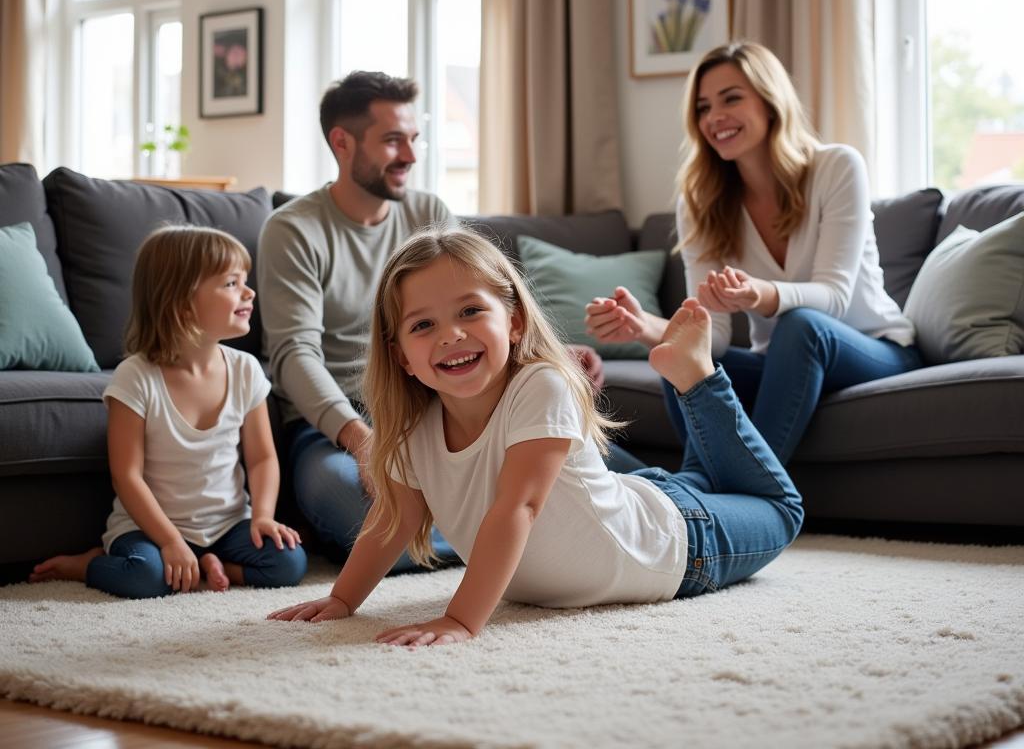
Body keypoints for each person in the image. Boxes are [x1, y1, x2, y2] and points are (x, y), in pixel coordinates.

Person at [266, 227, 803, 644]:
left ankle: (697, 378)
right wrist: (342, 600)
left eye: (471, 311)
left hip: (681, 545)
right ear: (401, 354)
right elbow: (394, 518)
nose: (451, 334)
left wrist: (460, 619)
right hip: (644, 496)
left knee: (781, 508)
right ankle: (690, 411)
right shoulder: (411, 427)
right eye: (422, 325)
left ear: (516, 322)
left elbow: (518, 507)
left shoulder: (540, 384)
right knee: (702, 478)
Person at [257, 72, 625, 570]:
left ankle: (514, 527)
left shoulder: (427, 212)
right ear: (341, 143)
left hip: (434, 402)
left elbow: (477, 313)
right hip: (336, 423)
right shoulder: (294, 229)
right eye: (392, 141)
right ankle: (506, 535)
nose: (410, 155)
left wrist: (554, 355)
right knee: (355, 507)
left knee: (585, 472)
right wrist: (362, 441)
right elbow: (294, 356)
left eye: (413, 138)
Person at [585, 40, 922, 466]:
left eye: (731, 99)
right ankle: (700, 494)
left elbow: (834, 297)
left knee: (802, 326)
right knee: (678, 360)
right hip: (785, 365)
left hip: (874, 348)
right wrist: (642, 325)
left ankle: (747, 498)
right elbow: (716, 337)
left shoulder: (837, 168)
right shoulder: (701, 202)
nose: (715, 118)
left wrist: (759, 294)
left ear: (769, 102)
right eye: (704, 108)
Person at [30, 226, 307, 598]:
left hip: (227, 525)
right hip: (150, 528)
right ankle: (87, 564)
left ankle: (213, 567)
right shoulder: (136, 377)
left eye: (245, 280)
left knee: (289, 562)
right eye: (231, 283)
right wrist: (171, 540)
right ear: (181, 302)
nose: (249, 292)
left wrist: (262, 516)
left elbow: (261, 459)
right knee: (144, 577)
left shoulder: (245, 369)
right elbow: (127, 476)